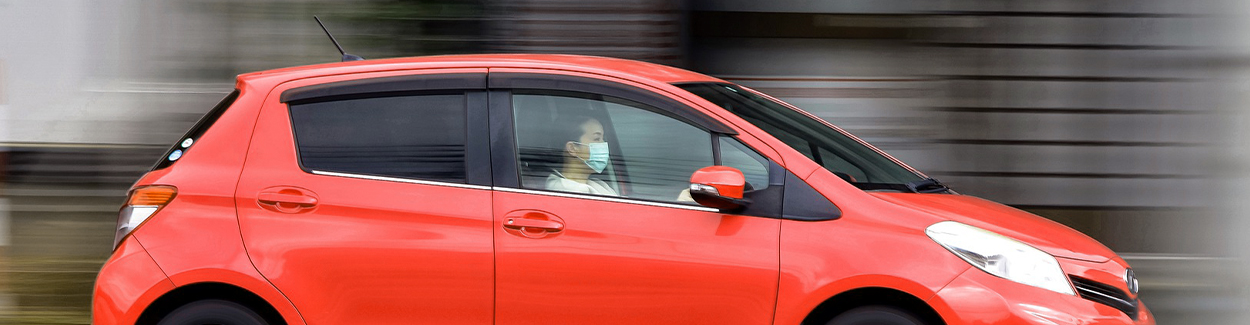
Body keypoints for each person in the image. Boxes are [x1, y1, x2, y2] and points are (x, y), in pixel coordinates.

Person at [545, 115, 619, 196]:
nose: (603, 144)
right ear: (572, 148)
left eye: (603, 138)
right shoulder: (564, 191)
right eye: (597, 139)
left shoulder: (599, 185)